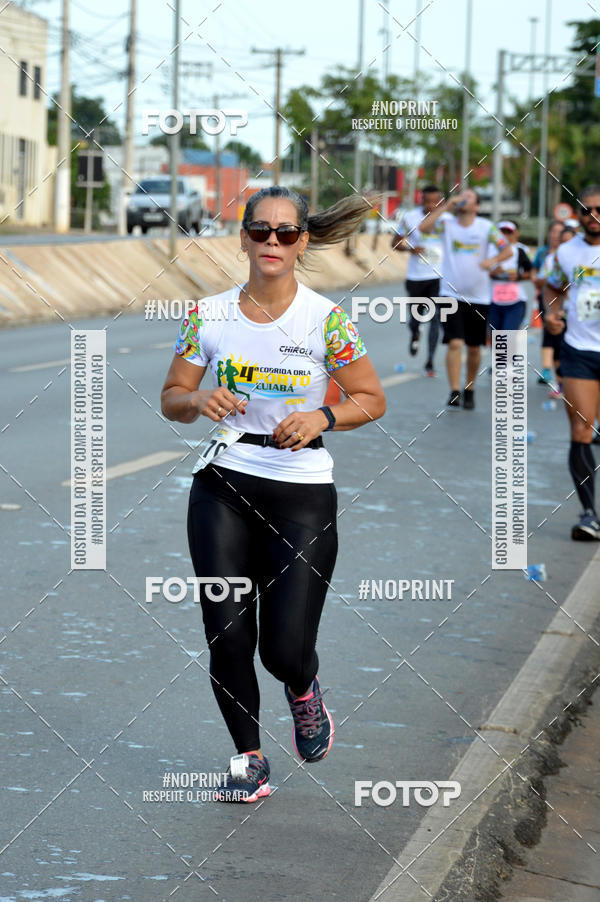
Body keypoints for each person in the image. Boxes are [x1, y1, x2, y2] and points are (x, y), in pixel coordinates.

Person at [161, 186, 386, 802]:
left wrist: (324, 418)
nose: (272, 242)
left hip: (302, 492)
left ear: (302, 242)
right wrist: (196, 400)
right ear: (243, 238)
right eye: (260, 231)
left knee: (283, 650)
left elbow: (371, 397)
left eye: (286, 233)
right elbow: (172, 397)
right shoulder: (208, 316)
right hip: (224, 485)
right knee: (226, 631)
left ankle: (304, 687)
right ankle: (248, 760)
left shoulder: (325, 320)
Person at [419, 188, 511, 409]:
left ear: (477, 206)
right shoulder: (447, 223)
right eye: (462, 195)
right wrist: (446, 206)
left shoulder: (486, 228)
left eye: (469, 197)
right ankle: (454, 391)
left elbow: (507, 250)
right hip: (450, 295)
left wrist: (493, 261)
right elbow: (424, 228)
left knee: (473, 348)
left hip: (480, 297)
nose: (464, 199)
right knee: (455, 342)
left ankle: (469, 388)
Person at [544, 185, 600, 541]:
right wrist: (552, 313)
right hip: (579, 351)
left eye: (599, 209)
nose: (594, 216)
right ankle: (590, 513)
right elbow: (553, 287)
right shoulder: (566, 252)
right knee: (581, 431)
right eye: (588, 210)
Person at [391, 185, 447, 376]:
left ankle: (430, 362)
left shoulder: (447, 220)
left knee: (435, 319)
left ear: (441, 202)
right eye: (427, 201)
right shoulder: (410, 218)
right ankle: (415, 332)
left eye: (435, 202)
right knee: (415, 317)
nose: (431, 206)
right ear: (421, 200)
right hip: (416, 276)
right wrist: (409, 249)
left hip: (439, 277)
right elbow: (395, 242)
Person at [488, 221, 532, 332]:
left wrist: (519, 276)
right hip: (493, 301)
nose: (505, 236)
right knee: (496, 340)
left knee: (508, 338)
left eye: (508, 233)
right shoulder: (489, 250)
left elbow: (531, 272)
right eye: (502, 233)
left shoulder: (520, 250)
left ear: (514, 234)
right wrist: (492, 273)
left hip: (515, 302)